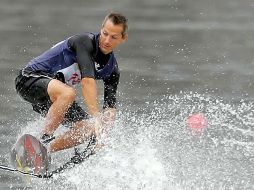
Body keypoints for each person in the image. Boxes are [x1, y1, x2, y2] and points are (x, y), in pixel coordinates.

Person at [15, 12, 128, 153]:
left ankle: (45, 152)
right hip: (29, 79)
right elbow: (87, 82)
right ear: (101, 29)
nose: (106, 40)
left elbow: (110, 108)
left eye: (113, 37)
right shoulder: (85, 42)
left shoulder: (112, 70)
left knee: (88, 128)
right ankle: (43, 140)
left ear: (123, 38)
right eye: (105, 34)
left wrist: (102, 133)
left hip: (55, 98)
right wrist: (96, 115)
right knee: (68, 93)